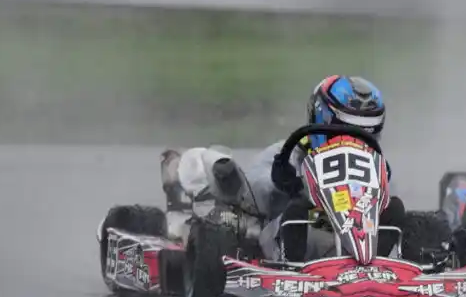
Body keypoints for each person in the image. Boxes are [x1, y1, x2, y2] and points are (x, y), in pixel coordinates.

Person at [162, 75, 405, 263]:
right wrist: (290, 186)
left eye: (365, 134)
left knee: (397, 210)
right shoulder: (291, 152)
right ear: (323, 120)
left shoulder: (376, 169)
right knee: (212, 164)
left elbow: (384, 201)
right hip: (290, 227)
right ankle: (290, 265)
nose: (353, 141)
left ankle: (376, 266)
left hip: (356, 234)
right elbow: (253, 190)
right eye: (345, 130)